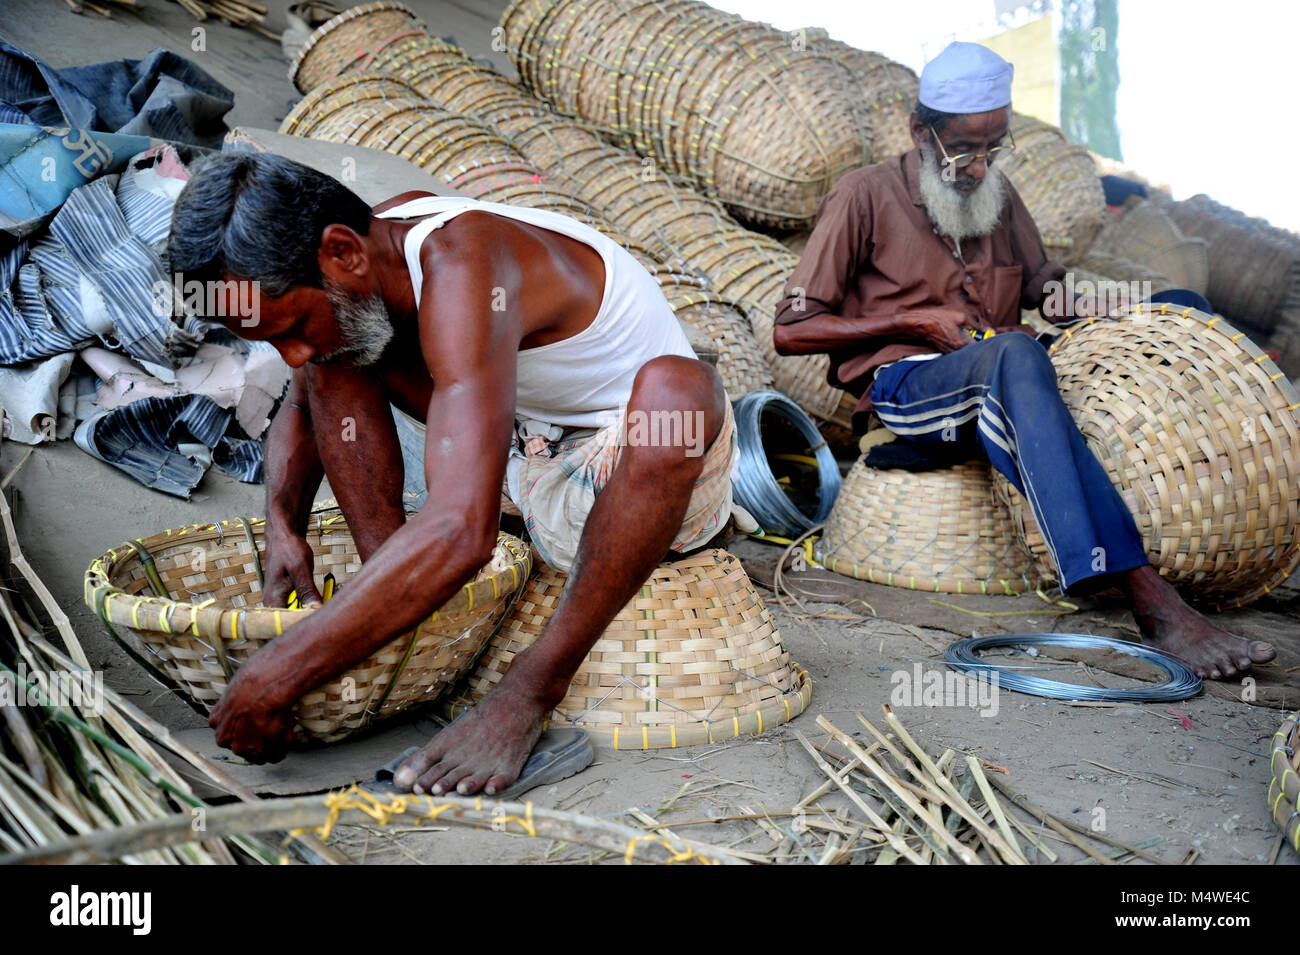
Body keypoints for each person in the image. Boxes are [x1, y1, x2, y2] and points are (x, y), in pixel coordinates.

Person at [166, 151, 736, 795]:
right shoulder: (369, 242)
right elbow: (304, 390)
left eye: (290, 324)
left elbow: (466, 534)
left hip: (620, 471)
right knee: (336, 350)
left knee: (677, 394)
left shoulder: (464, 263)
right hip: (517, 453)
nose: (287, 352)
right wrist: (282, 526)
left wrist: (272, 677)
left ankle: (532, 689)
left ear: (342, 251)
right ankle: (400, 595)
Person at [772, 41, 1273, 681]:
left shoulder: (1000, 198)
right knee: (1012, 351)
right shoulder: (863, 196)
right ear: (919, 131)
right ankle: (1149, 599)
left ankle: (1228, 526)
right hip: (910, 388)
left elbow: (1047, 293)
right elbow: (791, 330)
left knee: (1178, 305)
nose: (977, 167)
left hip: (1008, 370)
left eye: (992, 148)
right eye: (962, 149)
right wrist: (911, 320)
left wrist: (1124, 306)